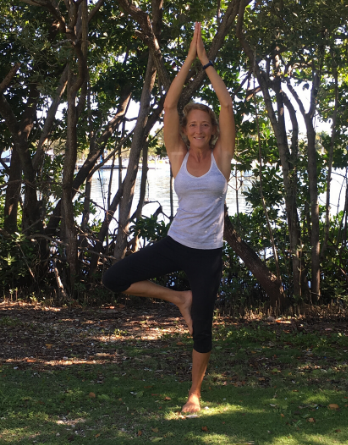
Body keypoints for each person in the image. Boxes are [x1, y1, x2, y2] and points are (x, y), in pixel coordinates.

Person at [102, 22, 235, 413]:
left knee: (205, 329)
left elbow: (226, 105)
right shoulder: (177, 154)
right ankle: (180, 297)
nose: (197, 129)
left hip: (207, 252)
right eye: (192, 125)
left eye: (204, 125)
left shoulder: (221, 158)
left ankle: (194, 394)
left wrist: (206, 62)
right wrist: (188, 60)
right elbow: (169, 106)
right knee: (115, 278)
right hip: (176, 243)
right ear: (186, 130)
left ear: (212, 131)